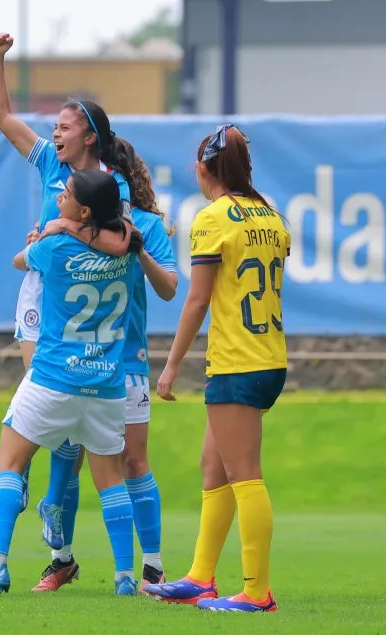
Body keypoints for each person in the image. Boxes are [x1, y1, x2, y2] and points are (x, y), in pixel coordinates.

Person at [0, 168, 144, 597]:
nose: (60, 198)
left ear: (85, 210)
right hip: (107, 385)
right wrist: (78, 227)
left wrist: (57, 231)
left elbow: (21, 259)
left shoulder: (54, 247)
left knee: (11, 463)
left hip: (54, 377)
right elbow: (124, 234)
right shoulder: (127, 252)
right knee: (110, 479)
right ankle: (125, 578)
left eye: (68, 195)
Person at [0, 31, 134, 519]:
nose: (54, 133)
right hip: (40, 288)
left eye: (64, 126)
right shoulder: (50, 162)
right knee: (41, 389)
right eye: (53, 125)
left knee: (63, 400)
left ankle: (53, 498)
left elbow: (120, 240)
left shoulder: (111, 183)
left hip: (81, 297)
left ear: (89, 135)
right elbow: (2, 117)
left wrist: (64, 227)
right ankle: (29, 479)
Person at [143, 124, 289, 613]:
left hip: (237, 362)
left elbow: (197, 300)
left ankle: (256, 592)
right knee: (215, 467)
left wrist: (169, 368)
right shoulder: (271, 215)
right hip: (268, 357)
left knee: (245, 474)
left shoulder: (213, 218)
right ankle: (201, 577)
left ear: (205, 167)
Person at [31, 139, 179, 593]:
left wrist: (139, 251)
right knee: (67, 457)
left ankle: (150, 568)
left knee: (133, 460)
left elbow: (170, 287)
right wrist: (60, 228)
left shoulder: (146, 226)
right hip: (77, 359)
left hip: (126, 359)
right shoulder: (77, 224)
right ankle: (62, 560)